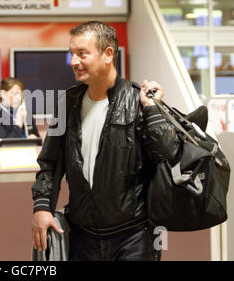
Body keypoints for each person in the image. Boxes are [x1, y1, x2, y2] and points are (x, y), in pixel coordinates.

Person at [31, 21, 180, 261]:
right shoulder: (66, 104)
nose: (74, 62)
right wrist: (41, 207)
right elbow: (49, 164)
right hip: (82, 237)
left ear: (108, 54)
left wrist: (152, 111)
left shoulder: (138, 101)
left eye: (82, 53)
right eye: (71, 54)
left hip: (135, 238)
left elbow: (168, 156)